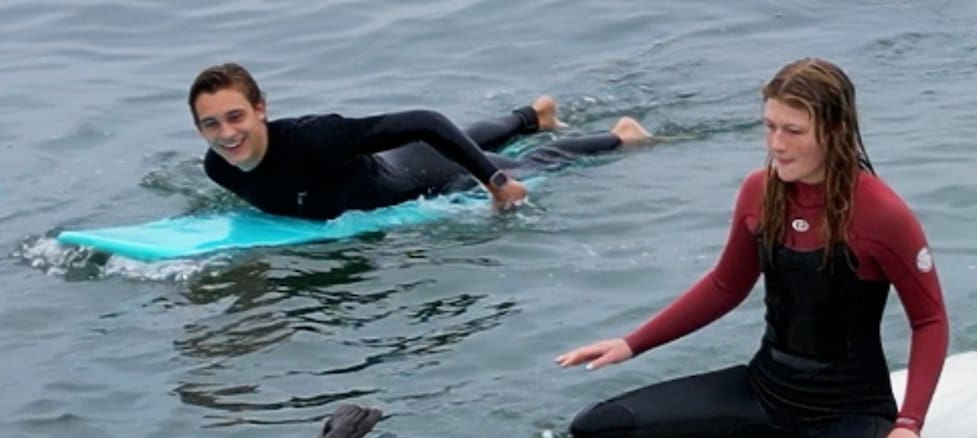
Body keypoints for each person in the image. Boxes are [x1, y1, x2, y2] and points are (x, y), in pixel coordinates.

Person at [555, 59, 949, 438]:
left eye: (794, 131)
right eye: (770, 127)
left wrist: (909, 424)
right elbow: (726, 285)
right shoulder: (759, 192)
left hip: (850, 409)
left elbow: (930, 321)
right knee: (597, 425)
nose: (777, 144)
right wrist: (631, 343)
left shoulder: (883, 213)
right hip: (765, 390)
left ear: (836, 128)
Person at [188, 62, 651, 220]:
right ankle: (533, 114)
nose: (227, 135)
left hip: (424, 177)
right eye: (211, 125)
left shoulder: (317, 138)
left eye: (236, 117)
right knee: (462, 138)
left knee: (534, 162)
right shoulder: (218, 167)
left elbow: (425, 121)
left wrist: (494, 181)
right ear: (199, 129)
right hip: (404, 157)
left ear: (261, 109)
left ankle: (618, 135)